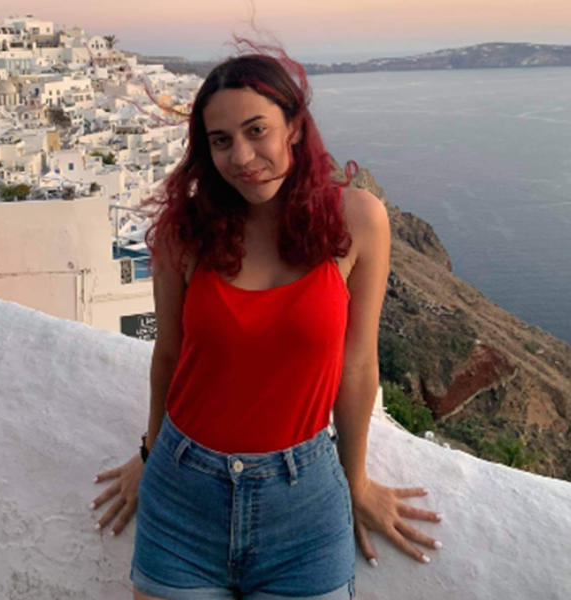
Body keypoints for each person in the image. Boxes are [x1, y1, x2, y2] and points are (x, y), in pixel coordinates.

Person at [90, 47, 442, 600]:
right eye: (222, 140)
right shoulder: (186, 233)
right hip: (183, 491)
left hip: (303, 505)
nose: (243, 157)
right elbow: (169, 354)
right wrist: (150, 454)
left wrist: (357, 481)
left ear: (295, 128)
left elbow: (357, 366)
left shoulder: (357, 219)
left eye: (258, 130)